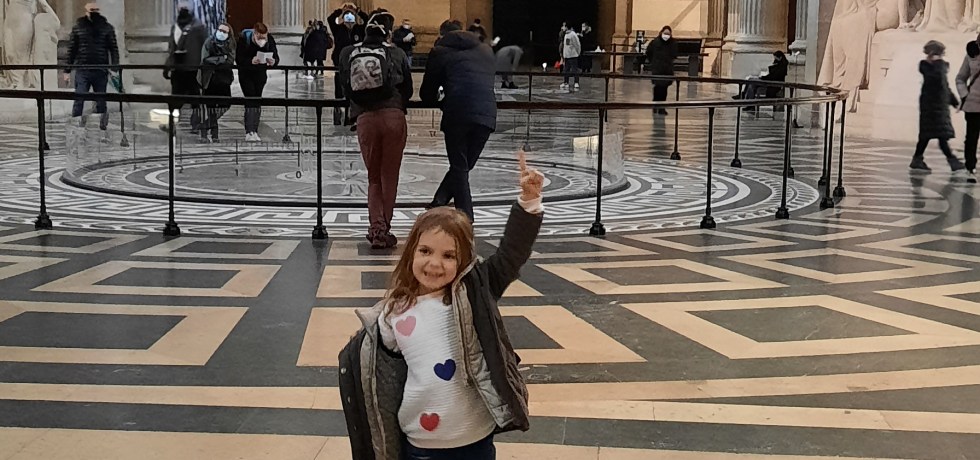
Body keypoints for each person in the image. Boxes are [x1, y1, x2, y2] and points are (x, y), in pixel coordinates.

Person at [338, 150, 544, 460]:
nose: (434, 264)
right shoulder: (393, 313)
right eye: (425, 251)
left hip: (475, 440)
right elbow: (383, 379)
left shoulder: (474, 292)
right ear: (411, 253)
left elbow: (511, 255)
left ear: (463, 262)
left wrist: (529, 202)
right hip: (420, 443)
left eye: (449, 256)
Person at [339, 11, 413, 249]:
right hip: (393, 117)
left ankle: (376, 228)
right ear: (388, 33)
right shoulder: (398, 53)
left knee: (373, 177)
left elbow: (345, 87)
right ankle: (384, 230)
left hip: (365, 119)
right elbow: (409, 89)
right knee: (389, 176)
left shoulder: (348, 53)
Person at [420, 22, 497, 221]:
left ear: (442, 35)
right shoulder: (486, 51)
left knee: (459, 167)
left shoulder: (439, 52)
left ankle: (466, 218)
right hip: (487, 114)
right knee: (462, 166)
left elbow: (427, 93)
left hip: (457, 113)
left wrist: (440, 100)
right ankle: (439, 200)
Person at [64, 2, 119, 138]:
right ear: (87, 11)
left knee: (101, 100)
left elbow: (113, 49)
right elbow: (72, 50)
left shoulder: (106, 28)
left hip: (99, 69)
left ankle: (102, 126)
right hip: (84, 69)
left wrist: (114, 68)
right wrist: (67, 70)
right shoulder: (79, 28)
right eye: (92, 10)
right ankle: (76, 124)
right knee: (80, 98)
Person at [911, 40, 966, 172]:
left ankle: (918, 159)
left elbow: (945, 87)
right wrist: (939, 64)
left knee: (931, 136)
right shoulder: (928, 66)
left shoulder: (937, 67)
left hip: (938, 107)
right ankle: (952, 161)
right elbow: (937, 81)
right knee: (937, 136)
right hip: (931, 107)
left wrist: (955, 102)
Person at [164, 1, 208, 134]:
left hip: (192, 68)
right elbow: (172, 48)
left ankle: (196, 123)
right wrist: (167, 66)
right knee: (176, 98)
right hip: (178, 68)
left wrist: (203, 66)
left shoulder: (198, 27)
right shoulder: (176, 26)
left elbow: (205, 46)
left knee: (195, 98)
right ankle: (172, 123)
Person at [235, 22, 279, 142]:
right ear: (255, 34)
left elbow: (276, 56)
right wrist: (250, 61)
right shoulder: (244, 40)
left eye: (264, 38)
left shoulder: (269, 40)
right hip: (246, 75)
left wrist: (273, 61)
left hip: (260, 75)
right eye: (259, 38)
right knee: (250, 100)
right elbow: (239, 58)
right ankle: (249, 130)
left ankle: (255, 130)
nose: (262, 41)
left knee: (257, 101)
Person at [328, 2, 369, 125]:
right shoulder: (338, 29)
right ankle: (338, 113)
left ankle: (350, 115)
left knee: (352, 89)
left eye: (351, 16)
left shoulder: (359, 30)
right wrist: (340, 10)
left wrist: (358, 11)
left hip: (355, 64)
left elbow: (367, 20)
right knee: (339, 88)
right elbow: (330, 19)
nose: (349, 20)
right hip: (340, 63)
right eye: (347, 16)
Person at [198, 22, 235, 144]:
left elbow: (230, 60)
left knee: (226, 104)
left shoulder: (230, 44)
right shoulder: (209, 42)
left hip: (224, 79)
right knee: (210, 107)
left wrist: (217, 60)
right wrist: (221, 59)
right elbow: (205, 59)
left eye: (224, 31)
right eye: (220, 30)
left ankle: (204, 125)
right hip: (210, 78)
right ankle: (212, 135)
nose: (221, 33)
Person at [956, 37, 980, 182]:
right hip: (973, 105)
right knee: (972, 137)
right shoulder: (971, 55)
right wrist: (965, 94)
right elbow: (960, 78)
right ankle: (970, 167)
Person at [645, 25, 677, 115]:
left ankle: (662, 107)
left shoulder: (673, 43)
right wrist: (653, 62)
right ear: (661, 33)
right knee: (658, 88)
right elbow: (649, 52)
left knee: (664, 89)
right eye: (665, 33)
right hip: (657, 69)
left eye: (668, 34)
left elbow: (674, 54)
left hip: (667, 69)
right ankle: (655, 105)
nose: (666, 36)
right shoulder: (655, 42)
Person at [560, 25, 581, 91]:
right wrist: (564, 55)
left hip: (573, 55)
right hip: (567, 55)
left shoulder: (573, 34)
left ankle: (576, 82)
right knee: (566, 70)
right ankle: (566, 82)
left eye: (564, 26)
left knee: (574, 69)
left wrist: (578, 52)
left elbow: (577, 44)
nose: (563, 28)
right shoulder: (565, 35)